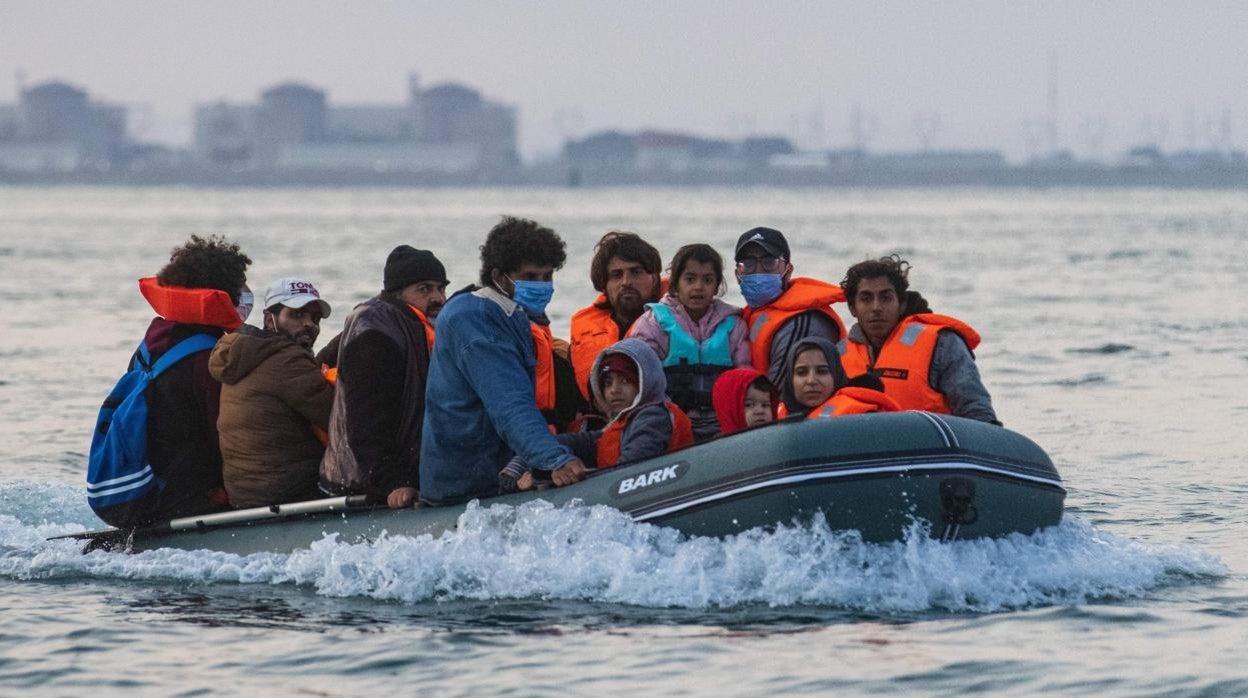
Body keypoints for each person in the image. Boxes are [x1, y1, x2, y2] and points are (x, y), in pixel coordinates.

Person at [419, 216, 588, 505]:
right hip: (464, 483)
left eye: (548, 277)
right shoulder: (474, 319)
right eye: (531, 277)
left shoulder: (511, 315)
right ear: (499, 277)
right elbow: (508, 402)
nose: (542, 286)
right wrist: (553, 459)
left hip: (493, 469)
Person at [94, 234, 252, 526]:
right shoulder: (208, 357)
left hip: (148, 486)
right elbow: (226, 438)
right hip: (184, 498)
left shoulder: (152, 342)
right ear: (224, 292)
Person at [319, 245, 447, 508]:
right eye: (424, 289)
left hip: (404, 473)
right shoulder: (375, 334)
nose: (437, 298)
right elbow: (366, 422)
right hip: (359, 483)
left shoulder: (420, 326)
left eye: (441, 288)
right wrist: (393, 482)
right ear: (398, 293)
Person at [499, 339, 693, 490]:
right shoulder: (614, 429)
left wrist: (554, 478)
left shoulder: (653, 417)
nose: (614, 390)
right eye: (607, 383)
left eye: (625, 381)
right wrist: (533, 463)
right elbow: (570, 442)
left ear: (645, 381)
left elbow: (628, 473)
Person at [210, 277, 335, 508]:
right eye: (297, 314)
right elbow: (339, 420)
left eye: (315, 318)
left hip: (248, 494)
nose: (309, 324)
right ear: (270, 319)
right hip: (288, 493)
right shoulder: (287, 361)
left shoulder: (250, 352)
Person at [838, 255, 999, 423]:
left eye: (886, 298)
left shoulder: (942, 343)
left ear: (901, 305)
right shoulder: (836, 356)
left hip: (931, 446)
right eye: (866, 299)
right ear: (852, 308)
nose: (876, 307)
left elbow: (977, 411)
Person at [628, 243, 751, 440]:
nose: (698, 287)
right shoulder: (653, 323)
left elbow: (745, 379)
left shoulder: (734, 326)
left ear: (717, 286)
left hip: (722, 423)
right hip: (669, 420)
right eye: (690, 279)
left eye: (707, 280)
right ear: (676, 283)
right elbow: (645, 383)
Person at [734, 227, 848, 392]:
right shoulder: (752, 316)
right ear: (737, 273)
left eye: (769, 262)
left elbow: (778, 394)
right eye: (748, 264)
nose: (758, 271)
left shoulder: (802, 322)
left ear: (788, 270)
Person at [569, 231, 663, 400]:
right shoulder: (582, 331)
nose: (626, 281)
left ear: (655, 279)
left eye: (636, 272)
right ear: (604, 284)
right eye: (616, 275)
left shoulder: (677, 322)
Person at [776, 337, 850, 418]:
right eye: (801, 372)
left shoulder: (855, 417)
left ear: (836, 376)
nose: (811, 381)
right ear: (790, 379)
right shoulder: (770, 417)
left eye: (822, 371)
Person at [711, 367, 778, 435]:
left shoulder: (778, 441)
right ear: (729, 410)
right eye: (748, 405)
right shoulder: (721, 445)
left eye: (765, 405)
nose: (760, 411)